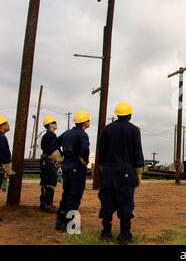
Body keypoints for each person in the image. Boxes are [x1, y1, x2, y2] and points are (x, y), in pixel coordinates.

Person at [97, 102, 144, 244]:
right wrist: (138, 174)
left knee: (107, 202)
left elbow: (101, 154)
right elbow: (137, 154)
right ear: (129, 115)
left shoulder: (106, 130)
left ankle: (106, 233)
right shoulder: (134, 130)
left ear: (117, 114)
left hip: (108, 172)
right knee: (125, 202)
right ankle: (124, 235)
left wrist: (103, 170)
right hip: (126, 173)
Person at [50, 110, 90, 232]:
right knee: (74, 196)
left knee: (66, 194)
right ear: (84, 123)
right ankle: (69, 224)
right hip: (77, 169)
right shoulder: (82, 135)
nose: (89, 122)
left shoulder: (67, 133)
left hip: (66, 168)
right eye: (88, 120)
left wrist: (61, 157)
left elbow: (53, 146)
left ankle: (59, 221)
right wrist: (84, 160)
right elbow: (84, 149)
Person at [39, 116, 60, 213]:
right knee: (50, 184)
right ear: (51, 125)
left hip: (45, 162)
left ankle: (43, 203)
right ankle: (48, 204)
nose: (56, 124)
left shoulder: (45, 136)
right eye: (55, 122)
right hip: (49, 163)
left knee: (44, 183)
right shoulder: (52, 136)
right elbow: (54, 149)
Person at [0, 116, 12, 221]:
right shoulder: (1, 137)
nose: (8, 125)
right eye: (6, 123)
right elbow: (4, 154)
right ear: (2, 126)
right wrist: (7, 167)